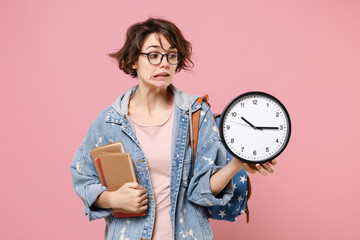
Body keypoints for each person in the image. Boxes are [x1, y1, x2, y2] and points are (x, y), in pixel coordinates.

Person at [70, 18, 276, 240]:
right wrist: (112, 199)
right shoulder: (110, 121)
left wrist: (236, 165)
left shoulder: (196, 114)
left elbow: (201, 192)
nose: (164, 63)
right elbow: (82, 176)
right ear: (132, 61)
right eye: (153, 54)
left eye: (171, 55)